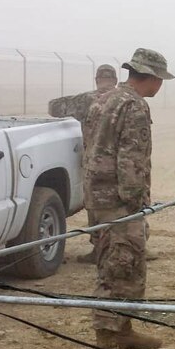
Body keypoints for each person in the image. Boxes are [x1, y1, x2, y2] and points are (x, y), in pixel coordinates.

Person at [83, 48, 175, 349]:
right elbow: (130, 157)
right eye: (159, 80)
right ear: (148, 78)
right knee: (118, 265)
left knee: (121, 261)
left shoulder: (105, 99)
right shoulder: (134, 106)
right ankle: (105, 345)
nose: (160, 86)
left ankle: (123, 331)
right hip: (120, 202)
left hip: (100, 197)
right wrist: (136, 200)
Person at [50, 64, 119, 263]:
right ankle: (134, 245)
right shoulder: (124, 99)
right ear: (114, 80)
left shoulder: (86, 99)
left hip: (95, 163)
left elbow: (54, 107)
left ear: (97, 80)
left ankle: (99, 248)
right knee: (127, 203)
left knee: (95, 205)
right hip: (122, 161)